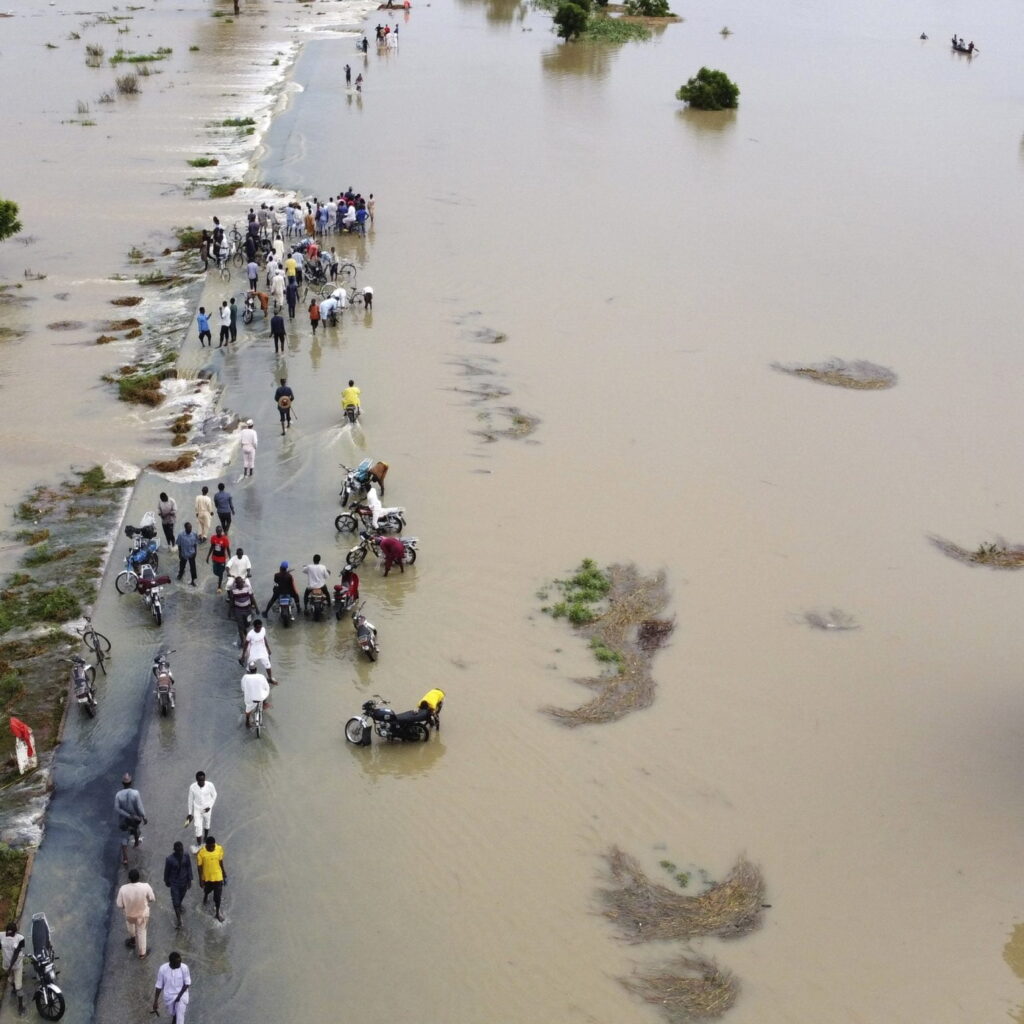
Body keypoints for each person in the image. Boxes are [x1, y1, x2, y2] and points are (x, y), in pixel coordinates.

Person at [116, 868, 155, 959]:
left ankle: (133, 940)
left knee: (130, 926)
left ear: (129, 879)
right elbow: (152, 898)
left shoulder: (123, 889)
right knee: (142, 932)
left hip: (129, 914)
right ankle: (142, 954)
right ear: (139, 877)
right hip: (142, 915)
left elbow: (119, 904)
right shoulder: (145, 886)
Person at [114, 773, 147, 867]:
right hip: (135, 818)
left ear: (122, 783)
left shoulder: (118, 795)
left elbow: (117, 808)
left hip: (123, 820)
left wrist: (127, 815)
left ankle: (125, 858)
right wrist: (144, 817)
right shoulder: (135, 793)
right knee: (136, 830)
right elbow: (139, 807)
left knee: (124, 837)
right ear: (131, 782)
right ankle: (136, 843)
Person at [152, 952, 191, 1022]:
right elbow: (159, 986)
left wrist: (179, 996)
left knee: (180, 1015)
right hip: (169, 996)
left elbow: (187, 983)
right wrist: (155, 1001)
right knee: (173, 1014)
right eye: (177, 963)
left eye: (180, 961)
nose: (180, 964)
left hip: (181, 995)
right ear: (171, 963)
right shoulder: (163, 969)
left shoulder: (184, 968)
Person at [163, 842, 193, 930]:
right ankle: (179, 920)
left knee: (181, 897)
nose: (181, 852)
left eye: (181, 850)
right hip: (174, 883)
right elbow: (166, 871)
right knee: (175, 902)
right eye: (179, 851)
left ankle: (179, 905)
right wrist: (166, 881)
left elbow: (189, 867)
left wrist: (190, 879)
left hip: (184, 881)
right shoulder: (169, 859)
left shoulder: (186, 855)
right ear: (175, 851)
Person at [196, 836, 226, 922]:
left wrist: (224, 873)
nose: (212, 848)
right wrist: (201, 879)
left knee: (218, 896)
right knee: (207, 890)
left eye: (213, 846)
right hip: (207, 878)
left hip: (218, 877)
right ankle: (205, 896)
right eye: (210, 847)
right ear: (206, 846)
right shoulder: (201, 853)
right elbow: (199, 867)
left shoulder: (219, 849)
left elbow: (220, 861)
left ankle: (217, 913)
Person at [186, 771, 217, 848]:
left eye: (203, 780)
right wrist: (190, 813)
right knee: (198, 827)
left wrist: (210, 806)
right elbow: (190, 800)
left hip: (207, 809)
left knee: (207, 824)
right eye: (200, 780)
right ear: (197, 780)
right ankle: (199, 845)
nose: (202, 782)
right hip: (197, 809)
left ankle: (205, 838)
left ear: (205, 779)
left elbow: (215, 795)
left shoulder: (210, 785)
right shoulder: (192, 787)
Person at [242, 617, 277, 683]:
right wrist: (243, 655)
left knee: (268, 665)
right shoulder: (250, 634)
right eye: (258, 627)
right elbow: (246, 645)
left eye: (260, 627)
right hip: (253, 652)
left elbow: (264, 639)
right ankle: (248, 680)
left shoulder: (263, 630)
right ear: (254, 627)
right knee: (250, 666)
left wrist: (268, 649)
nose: (259, 629)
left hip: (262, 651)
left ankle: (270, 678)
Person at [1, 922, 25, 1015]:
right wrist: (8, 968)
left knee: (19, 987)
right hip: (7, 965)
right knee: (11, 980)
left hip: (17, 965)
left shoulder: (20, 938)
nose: (9, 935)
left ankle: (20, 1006)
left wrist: (10, 968)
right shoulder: (1, 936)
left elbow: (16, 953)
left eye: (11, 934)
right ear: (6, 931)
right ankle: (14, 987)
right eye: (8, 933)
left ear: (15, 932)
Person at [241, 661, 271, 729]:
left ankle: (247, 723)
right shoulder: (261, 676)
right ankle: (264, 703)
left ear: (249, 670)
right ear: (256, 669)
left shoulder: (245, 677)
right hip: (261, 697)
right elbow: (266, 687)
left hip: (251, 699)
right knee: (266, 690)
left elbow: (243, 689)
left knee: (248, 710)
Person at [228, 575, 256, 645]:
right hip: (238, 610)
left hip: (248, 609)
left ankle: (245, 630)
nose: (241, 584)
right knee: (240, 626)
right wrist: (230, 611)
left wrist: (256, 607)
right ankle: (243, 642)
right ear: (236, 584)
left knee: (247, 624)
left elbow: (252, 597)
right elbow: (232, 601)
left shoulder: (247, 587)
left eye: (241, 583)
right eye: (239, 583)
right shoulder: (233, 590)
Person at [207, 525, 231, 592]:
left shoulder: (225, 539)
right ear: (216, 531)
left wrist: (230, 558)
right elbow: (211, 547)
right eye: (217, 531)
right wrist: (208, 556)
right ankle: (220, 577)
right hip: (214, 558)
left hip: (222, 559)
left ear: (221, 531)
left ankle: (219, 586)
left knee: (220, 573)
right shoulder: (213, 538)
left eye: (220, 531)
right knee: (215, 572)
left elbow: (228, 549)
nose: (218, 532)